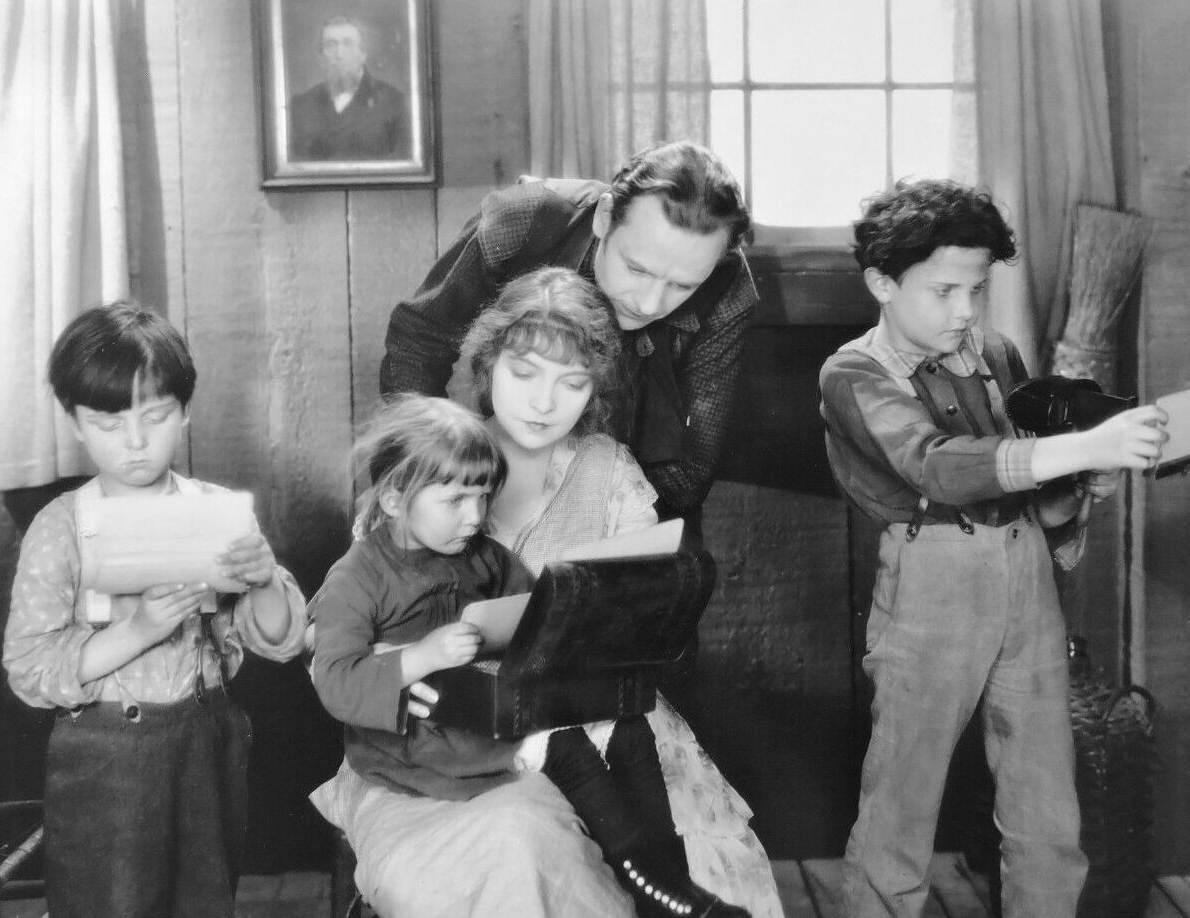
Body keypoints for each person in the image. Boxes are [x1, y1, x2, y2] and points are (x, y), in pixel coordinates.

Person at [311, 268, 782, 918]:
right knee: (518, 849)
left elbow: (623, 608)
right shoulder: (434, 461)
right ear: (488, 364)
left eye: (572, 382)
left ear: (596, 388)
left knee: (649, 781)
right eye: (524, 372)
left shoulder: (608, 468)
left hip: (587, 700)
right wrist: (407, 661)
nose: (543, 402)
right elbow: (354, 626)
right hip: (443, 720)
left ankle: (665, 887)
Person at [818, 179, 1168, 918]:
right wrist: (1082, 448)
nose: (965, 311)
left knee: (1048, 814)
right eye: (944, 291)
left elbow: (1031, 499)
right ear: (882, 283)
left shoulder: (997, 355)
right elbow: (937, 467)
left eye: (977, 289)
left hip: (1024, 577)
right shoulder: (853, 374)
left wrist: (1082, 479)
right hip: (931, 584)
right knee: (900, 811)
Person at [1, 302, 309, 918]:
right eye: (108, 423)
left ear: (185, 410)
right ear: (75, 422)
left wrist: (263, 580)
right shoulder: (60, 528)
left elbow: (281, 640)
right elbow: (29, 668)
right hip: (103, 757)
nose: (135, 442)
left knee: (204, 900)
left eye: (156, 415)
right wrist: (139, 629)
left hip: (206, 743)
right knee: (107, 903)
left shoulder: (217, 512)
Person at [380, 140, 756, 533]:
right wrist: (428, 478)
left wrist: (600, 519)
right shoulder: (523, 220)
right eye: (636, 269)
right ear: (604, 217)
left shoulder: (728, 287)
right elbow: (417, 341)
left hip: (626, 505)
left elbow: (688, 476)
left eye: (681, 286)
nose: (648, 304)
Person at [288, 14, 410, 161]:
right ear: (321, 57)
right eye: (331, 45)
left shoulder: (393, 102)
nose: (339, 54)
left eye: (348, 44)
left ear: (363, 54)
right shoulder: (302, 105)